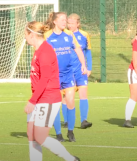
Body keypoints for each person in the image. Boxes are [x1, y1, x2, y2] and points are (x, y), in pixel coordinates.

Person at [24, 21, 80, 161]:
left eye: (25, 34)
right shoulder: (39, 50)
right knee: (32, 135)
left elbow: (45, 79)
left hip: (47, 99)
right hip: (39, 98)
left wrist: (32, 101)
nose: (24, 37)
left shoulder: (45, 51)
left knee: (40, 137)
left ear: (32, 35)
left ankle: (71, 159)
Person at [44, 12, 87, 142]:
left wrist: (83, 64)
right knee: (56, 104)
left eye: (66, 20)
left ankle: (71, 132)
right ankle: (58, 134)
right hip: (54, 75)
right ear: (55, 22)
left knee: (70, 102)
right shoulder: (47, 36)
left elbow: (78, 50)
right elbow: (41, 54)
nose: (65, 22)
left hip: (68, 75)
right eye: (62, 20)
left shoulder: (69, 34)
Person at [66, 13, 93, 129]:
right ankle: (67, 120)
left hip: (81, 70)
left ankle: (84, 120)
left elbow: (88, 52)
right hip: (67, 70)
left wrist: (89, 67)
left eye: (72, 23)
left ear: (78, 24)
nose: (70, 25)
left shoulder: (84, 35)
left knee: (83, 94)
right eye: (68, 23)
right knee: (66, 96)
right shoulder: (64, 34)